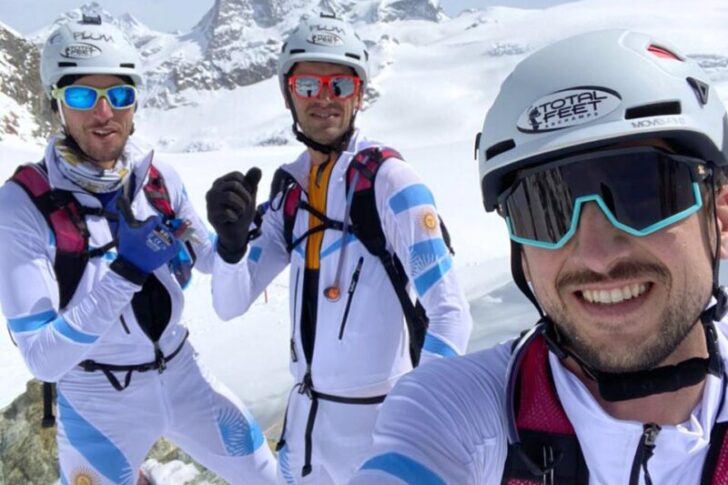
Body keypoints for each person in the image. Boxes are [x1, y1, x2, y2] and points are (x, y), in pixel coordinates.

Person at [349, 29, 728, 485]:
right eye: (544, 211)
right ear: (522, 252)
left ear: (720, 218)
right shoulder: (459, 414)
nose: (598, 256)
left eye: (643, 192)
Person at [0, 16, 276, 485]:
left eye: (120, 95)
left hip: (183, 374)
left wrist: (232, 243)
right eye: (82, 96)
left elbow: (210, 262)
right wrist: (126, 272)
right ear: (55, 102)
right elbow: (43, 358)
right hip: (97, 399)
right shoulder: (23, 204)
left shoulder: (157, 177)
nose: (104, 112)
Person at [205, 11, 472, 485]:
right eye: (308, 85)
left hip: (381, 429)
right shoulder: (290, 191)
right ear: (288, 94)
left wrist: (418, 425)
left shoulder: (390, 182)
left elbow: (451, 314)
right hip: (306, 433)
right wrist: (230, 248)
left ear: (359, 95)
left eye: (340, 85)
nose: (324, 98)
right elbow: (230, 304)